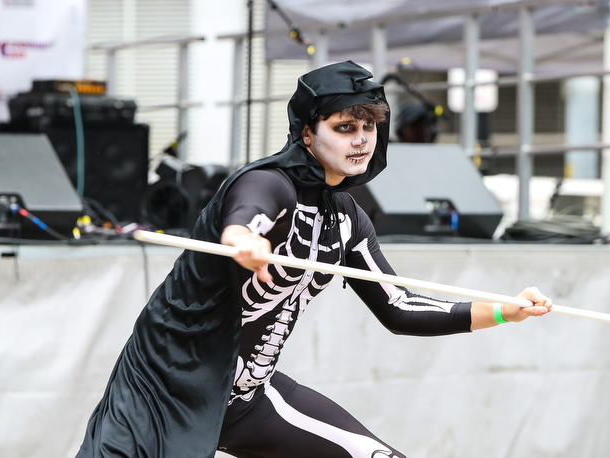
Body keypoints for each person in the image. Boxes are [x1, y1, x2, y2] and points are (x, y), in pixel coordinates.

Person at [76, 60, 552, 458]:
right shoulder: (267, 183)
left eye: (369, 127)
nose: (362, 139)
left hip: (244, 400)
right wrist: (244, 238)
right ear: (307, 134)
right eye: (345, 127)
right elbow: (247, 214)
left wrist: (504, 311)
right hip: (163, 390)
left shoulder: (348, 218)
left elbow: (399, 307)